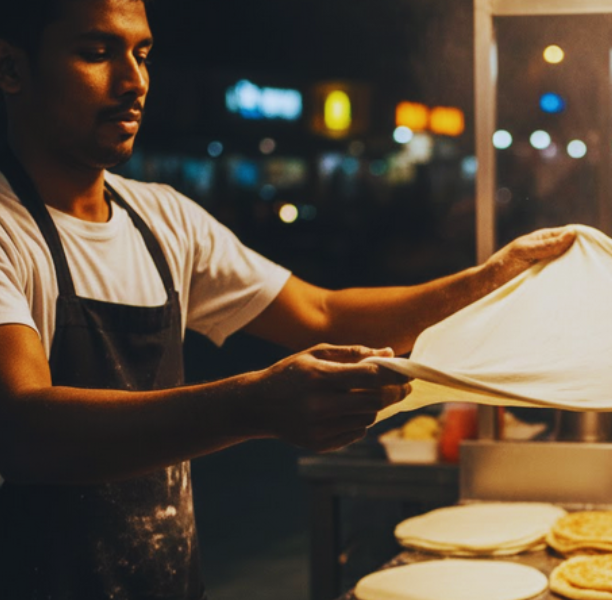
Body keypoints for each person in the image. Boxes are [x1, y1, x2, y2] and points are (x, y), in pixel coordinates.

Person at [0, 1, 576, 598]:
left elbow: (321, 313)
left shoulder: (163, 220)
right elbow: (22, 431)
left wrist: (492, 278)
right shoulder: (7, 232)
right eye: (95, 53)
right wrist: (254, 406)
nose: (134, 81)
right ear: (12, 68)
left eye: (142, 54)